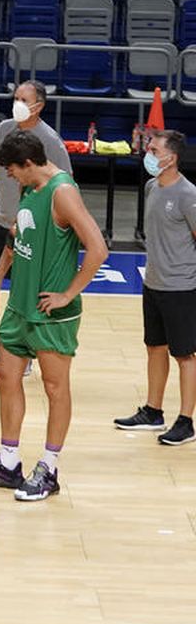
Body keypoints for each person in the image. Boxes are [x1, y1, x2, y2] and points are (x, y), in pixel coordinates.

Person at [0, 131, 108, 501]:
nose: (10, 177)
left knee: (55, 388)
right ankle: (9, 463)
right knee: (4, 376)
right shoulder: (32, 187)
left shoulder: (63, 192)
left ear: (28, 164)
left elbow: (98, 248)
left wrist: (68, 294)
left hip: (51, 314)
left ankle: (49, 468)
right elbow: (17, 234)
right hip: (20, 306)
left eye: (12, 170)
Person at [0, 81, 74, 368]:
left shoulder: (51, 141)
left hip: (35, 227)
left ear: (39, 105)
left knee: (30, 288)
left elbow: (65, 184)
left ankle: (28, 348)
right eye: (16, 97)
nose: (17, 103)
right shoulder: (3, 129)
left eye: (24, 99)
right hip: (3, 218)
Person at [116, 130, 196, 444]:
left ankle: (186, 420)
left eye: (153, 149)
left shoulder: (188, 194)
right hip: (153, 283)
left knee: (185, 355)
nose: (148, 152)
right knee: (154, 347)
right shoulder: (151, 186)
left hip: (182, 287)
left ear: (171, 158)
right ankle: (153, 410)